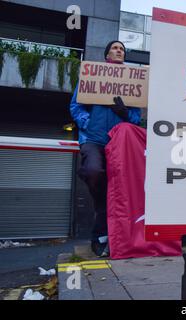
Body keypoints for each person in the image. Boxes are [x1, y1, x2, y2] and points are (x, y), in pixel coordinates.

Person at [70, 41, 142, 257]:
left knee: (119, 187)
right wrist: (88, 122)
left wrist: (124, 113)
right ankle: (102, 216)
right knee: (93, 172)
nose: (119, 50)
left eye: (122, 49)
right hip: (93, 139)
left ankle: (105, 237)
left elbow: (136, 118)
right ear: (107, 54)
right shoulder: (93, 77)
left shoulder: (131, 83)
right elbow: (76, 105)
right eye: (115, 48)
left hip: (119, 143)